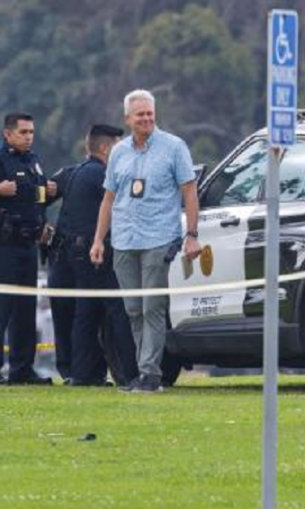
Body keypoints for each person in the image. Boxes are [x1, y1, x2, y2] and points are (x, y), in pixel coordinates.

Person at [90, 90, 200, 394]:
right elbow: (109, 198)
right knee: (133, 308)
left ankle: (151, 374)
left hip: (159, 237)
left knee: (153, 306)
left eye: (150, 113)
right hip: (124, 239)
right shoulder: (118, 152)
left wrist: (191, 235)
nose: (147, 118)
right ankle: (143, 370)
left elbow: (190, 191)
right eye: (140, 114)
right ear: (128, 118)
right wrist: (99, 239)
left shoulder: (174, 147)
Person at [0, 112, 57, 385]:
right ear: (8, 134)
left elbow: (33, 199)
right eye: (23, 132)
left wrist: (48, 197)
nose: (29, 137)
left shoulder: (33, 161)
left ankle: (22, 369)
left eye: (31, 132)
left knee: (25, 309)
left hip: (28, 243)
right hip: (1, 244)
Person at [49, 124, 138, 387]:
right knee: (117, 310)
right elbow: (122, 207)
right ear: (105, 148)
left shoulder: (76, 173)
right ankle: (131, 373)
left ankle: (83, 372)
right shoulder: (101, 174)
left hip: (76, 253)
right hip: (97, 253)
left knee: (86, 312)